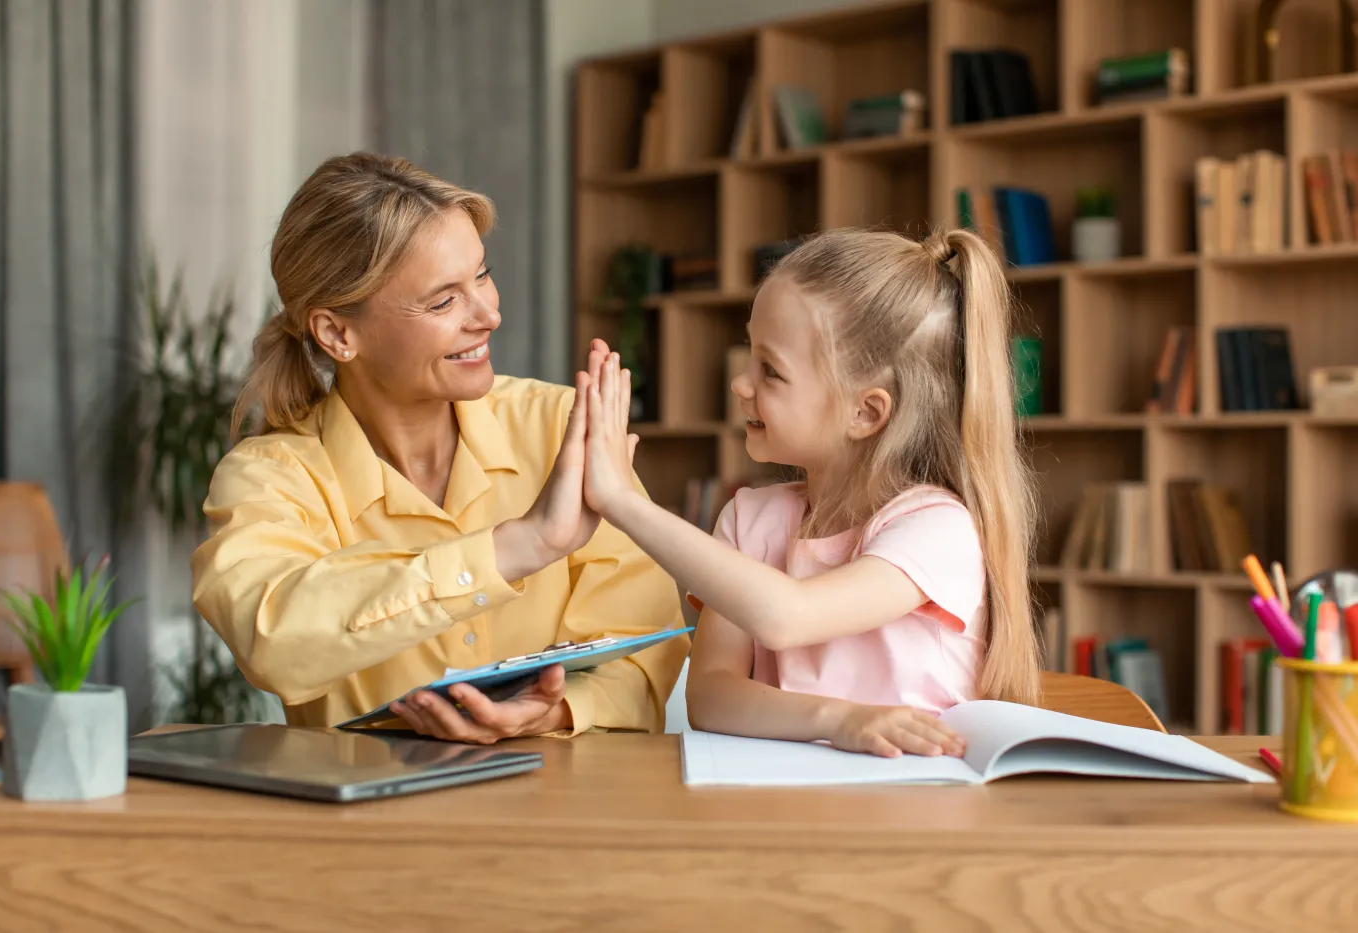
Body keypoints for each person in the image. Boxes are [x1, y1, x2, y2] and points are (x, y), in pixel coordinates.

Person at [190, 153, 688, 743]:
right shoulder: (269, 477)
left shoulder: (561, 426)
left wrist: (553, 711)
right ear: (338, 334)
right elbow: (272, 638)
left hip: (560, 807)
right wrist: (518, 547)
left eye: (481, 274)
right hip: (369, 823)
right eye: (443, 300)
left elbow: (645, 651)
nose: (490, 314)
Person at [575, 226, 1039, 759]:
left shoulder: (938, 529)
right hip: (792, 804)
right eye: (749, 353)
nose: (740, 384)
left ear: (864, 413)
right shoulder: (750, 520)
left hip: (919, 806)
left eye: (770, 371)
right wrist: (836, 720)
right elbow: (710, 696)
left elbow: (788, 616)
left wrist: (622, 502)